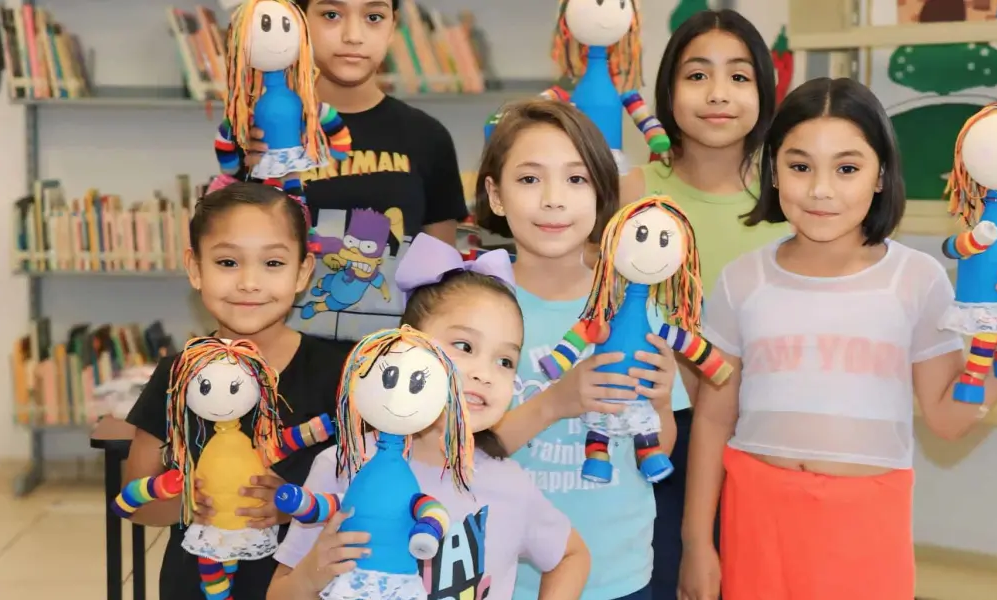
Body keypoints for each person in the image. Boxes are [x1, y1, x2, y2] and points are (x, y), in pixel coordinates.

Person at [678, 78, 997, 600]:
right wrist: (696, 542)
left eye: (847, 168)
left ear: (880, 177)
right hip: (756, 522)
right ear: (774, 173)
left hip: (867, 527)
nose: (821, 189)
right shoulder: (742, 280)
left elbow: (949, 418)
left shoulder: (916, 280)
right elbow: (713, 419)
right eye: (800, 166)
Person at [267, 232, 591, 600]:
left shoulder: (509, 483)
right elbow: (279, 593)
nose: (484, 373)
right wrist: (311, 576)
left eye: (505, 361)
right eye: (465, 346)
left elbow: (572, 555)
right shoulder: (343, 465)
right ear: (405, 347)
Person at [474, 99, 686, 600]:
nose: (553, 200)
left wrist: (657, 405)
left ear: (601, 194)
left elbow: (659, 449)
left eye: (576, 179)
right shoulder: (469, 307)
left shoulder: (639, 309)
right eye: (529, 179)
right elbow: (449, 451)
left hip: (620, 574)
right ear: (495, 195)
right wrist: (557, 402)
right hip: (500, 579)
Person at [619, 13, 789, 596]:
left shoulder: (792, 197)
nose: (718, 94)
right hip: (655, 435)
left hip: (761, 439)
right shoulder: (632, 193)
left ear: (764, 92)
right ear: (668, 91)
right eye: (698, 75)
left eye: (739, 77)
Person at [123, 182, 352, 600]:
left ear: (303, 271)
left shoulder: (342, 373)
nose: (249, 282)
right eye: (228, 262)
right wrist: (188, 501)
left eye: (273, 263)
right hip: (194, 585)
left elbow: (367, 491)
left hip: (311, 583)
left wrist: (294, 507)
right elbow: (135, 499)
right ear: (195, 268)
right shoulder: (176, 374)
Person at [221, 0, 469, 343]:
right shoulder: (257, 132)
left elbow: (443, 281)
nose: (353, 36)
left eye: (373, 17)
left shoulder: (427, 137)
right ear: (299, 22)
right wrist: (247, 175)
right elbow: (226, 255)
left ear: (393, 26)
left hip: (393, 367)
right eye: (332, 15)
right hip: (281, 362)